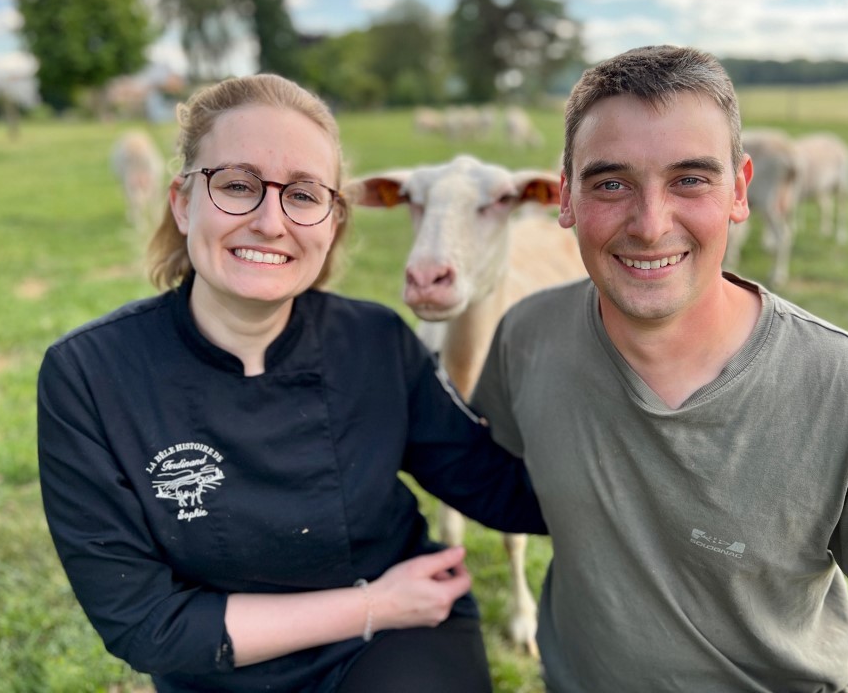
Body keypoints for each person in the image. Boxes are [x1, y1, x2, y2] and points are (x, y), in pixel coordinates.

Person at [470, 45, 848, 692]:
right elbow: (496, 478)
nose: (651, 225)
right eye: (610, 182)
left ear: (740, 191)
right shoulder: (528, 337)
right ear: (564, 195)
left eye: (689, 179)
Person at [37, 73, 546, 693]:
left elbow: (498, 488)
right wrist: (374, 605)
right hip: (228, 664)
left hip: (402, 642)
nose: (270, 222)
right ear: (181, 202)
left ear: (331, 221)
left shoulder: (376, 342)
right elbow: (146, 624)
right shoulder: (90, 377)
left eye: (303, 196)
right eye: (236, 186)